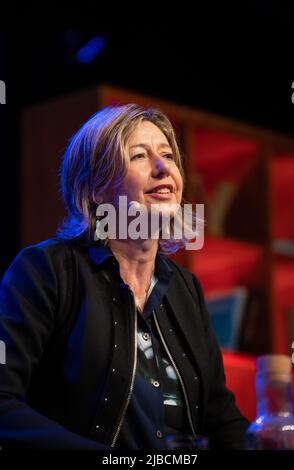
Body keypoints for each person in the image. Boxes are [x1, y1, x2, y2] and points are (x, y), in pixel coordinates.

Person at [0, 104, 249, 450]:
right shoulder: (46, 271)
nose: (164, 168)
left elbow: (221, 417)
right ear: (96, 188)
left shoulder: (185, 289)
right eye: (139, 156)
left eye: (168, 156)